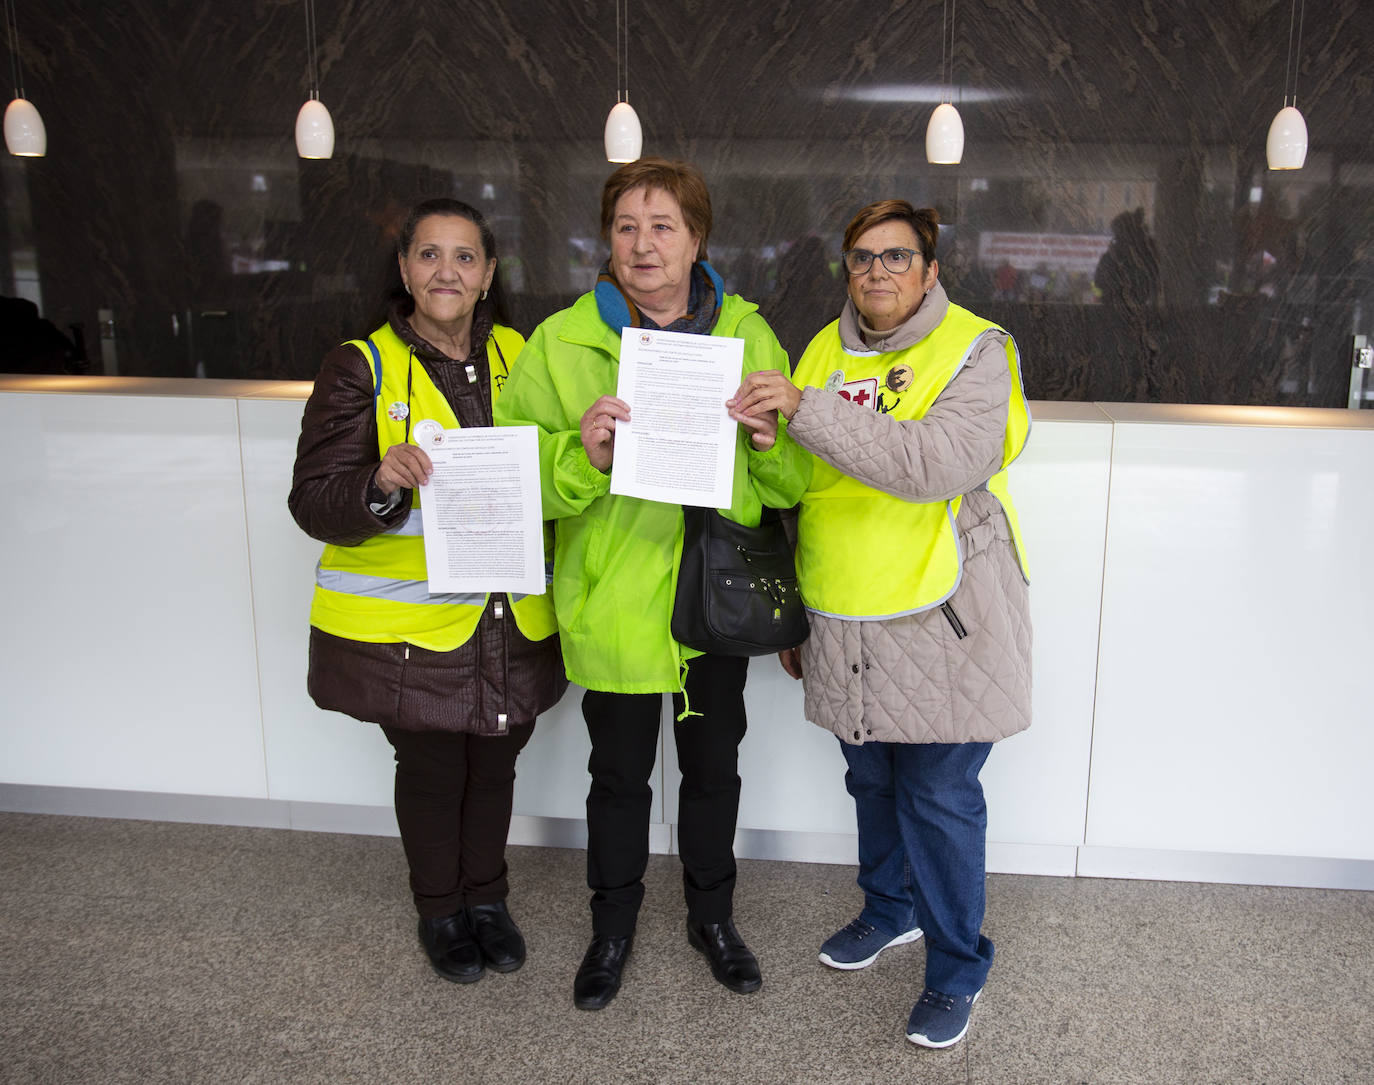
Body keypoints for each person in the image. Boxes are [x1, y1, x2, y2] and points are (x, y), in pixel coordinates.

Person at [493, 158, 811, 1011]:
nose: (643, 244)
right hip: (615, 598)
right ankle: (613, 927)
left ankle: (713, 918)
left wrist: (769, 442)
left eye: (663, 225)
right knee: (618, 775)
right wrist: (581, 456)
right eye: (626, 226)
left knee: (715, 769)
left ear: (696, 239)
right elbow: (516, 471)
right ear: (607, 239)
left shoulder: (747, 334)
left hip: (715, 599)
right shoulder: (562, 342)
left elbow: (793, 485)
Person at [732, 200, 1032, 1049]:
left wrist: (803, 408)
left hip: (945, 611)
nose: (877, 273)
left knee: (938, 793)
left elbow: (935, 463)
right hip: (844, 608)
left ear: (931, 269)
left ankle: (955, 966)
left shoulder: (978, 348)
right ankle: (890, 908)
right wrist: (766, 440)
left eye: (897, 257)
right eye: (862, 258)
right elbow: (799, 481)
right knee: (870, 779)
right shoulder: (824, 351)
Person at [288, 197, 566, 986]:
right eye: (430, 255)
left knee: (498, 762)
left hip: (510, 615)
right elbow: (313, 501)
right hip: (412, 628)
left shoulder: (522, 352)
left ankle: (489, 901)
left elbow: (554, 471)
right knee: (436, 768)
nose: (448, 270)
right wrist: (378, 480)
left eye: (466, 257)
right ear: (405, 268)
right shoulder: (361, 365)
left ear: (486, 278)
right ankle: (441, 909)